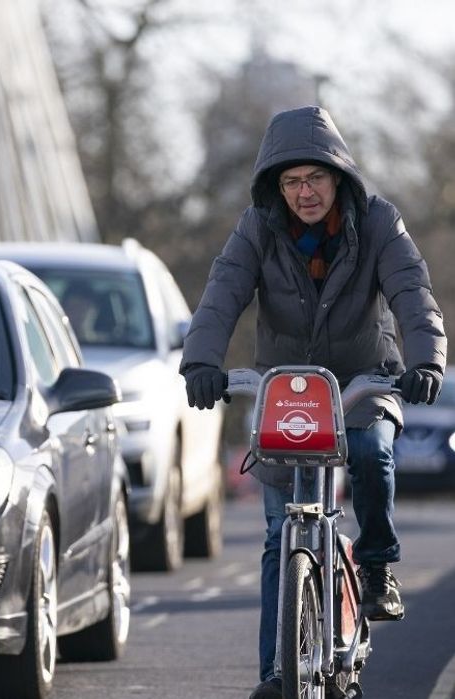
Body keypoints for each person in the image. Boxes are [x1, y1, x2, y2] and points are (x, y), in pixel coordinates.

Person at [179, 106, 446, 699]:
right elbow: (223, 289)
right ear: (277, 187)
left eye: (315, 179)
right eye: (291, 182)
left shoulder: (379, 222)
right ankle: (276, 676)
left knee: (374, 454)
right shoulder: (257, 227)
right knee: (280, 536)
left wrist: (426, 360)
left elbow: (412, 290)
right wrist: (201, 361)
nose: (304, 193)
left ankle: (376, 565)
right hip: (288, 392)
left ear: (338, 176)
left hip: (363, 383)